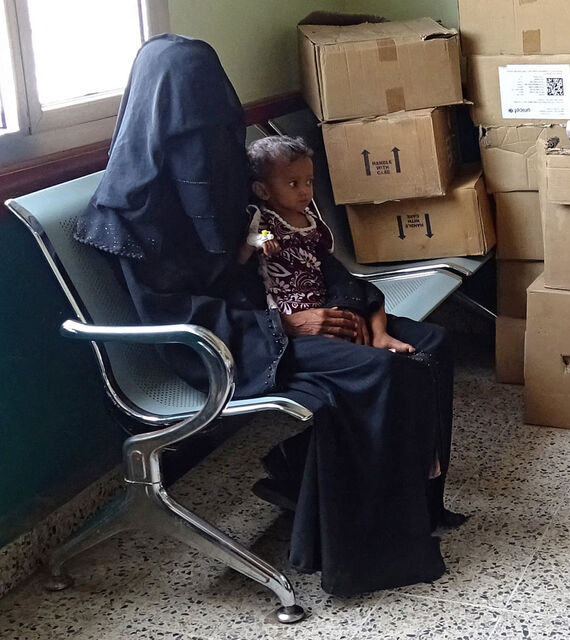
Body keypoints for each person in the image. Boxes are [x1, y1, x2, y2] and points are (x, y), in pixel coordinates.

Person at [74, 34, 462, 596]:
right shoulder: (134, 211)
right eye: (192, 136)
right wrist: (287, 324)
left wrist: (354, 312)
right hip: (216, 345)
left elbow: (297, 254)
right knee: (380, 374)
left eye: (214, 132)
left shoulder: (231, 181)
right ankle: (364, 551)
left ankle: (410, 511)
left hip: (273, 314)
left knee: (428, 344)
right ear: (162, 126)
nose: (205, 149)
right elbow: (174, 313)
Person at [242, 135, 413, 351]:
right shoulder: (265, 219)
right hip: (292, 298)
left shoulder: (310, 220)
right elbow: (250, 244)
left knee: (369, 291)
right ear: (262, 191)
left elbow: (325, 259)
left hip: (320, 288)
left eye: (309, 181)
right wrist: (262, 241)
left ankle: (380, 334)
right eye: (293, 184)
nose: (305, 191)